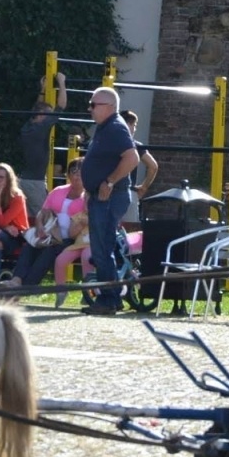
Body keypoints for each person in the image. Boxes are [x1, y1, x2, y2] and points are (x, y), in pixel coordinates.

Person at [78, 87, 140, 316]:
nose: (90, 108)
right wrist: (91, 188)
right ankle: (111, 298)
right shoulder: (106, 127)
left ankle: (109, 299)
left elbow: (132, 158)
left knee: (102, 248)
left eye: (94, 104)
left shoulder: (115, 127)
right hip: (102, 196)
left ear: (110, 107)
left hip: (110, 197)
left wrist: (109, 182)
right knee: (102, 248)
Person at [14, 159, 89, 286]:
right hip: (50, 233)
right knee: (30, 246)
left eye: (81, 171)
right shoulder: (58, 191)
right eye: (74, 171)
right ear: (68, 175)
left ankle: (27, 286)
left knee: (49, 252)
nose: (77, 175)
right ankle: (16, 280)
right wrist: (39, 227)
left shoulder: (88, 196)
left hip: (71, 239)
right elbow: (42, 212)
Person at [17, 73, 68, 204]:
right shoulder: (41, 127)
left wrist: (43, 89)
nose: (50, 117)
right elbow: (61, 106)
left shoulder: (28, 126)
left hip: (24, 180)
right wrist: (62, 82)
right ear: (41, 115)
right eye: (48, 114)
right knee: (43, 214)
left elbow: (37, 107)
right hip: (35, 182)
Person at [120, 110, 159, 227]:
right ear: (128, 124)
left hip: (107, 191)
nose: (135, 129)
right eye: (134, 125)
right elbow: (153, 166)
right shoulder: (136, 145)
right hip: (128, 193)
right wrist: (144, 187)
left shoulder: (106, 143)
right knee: (130, 231)